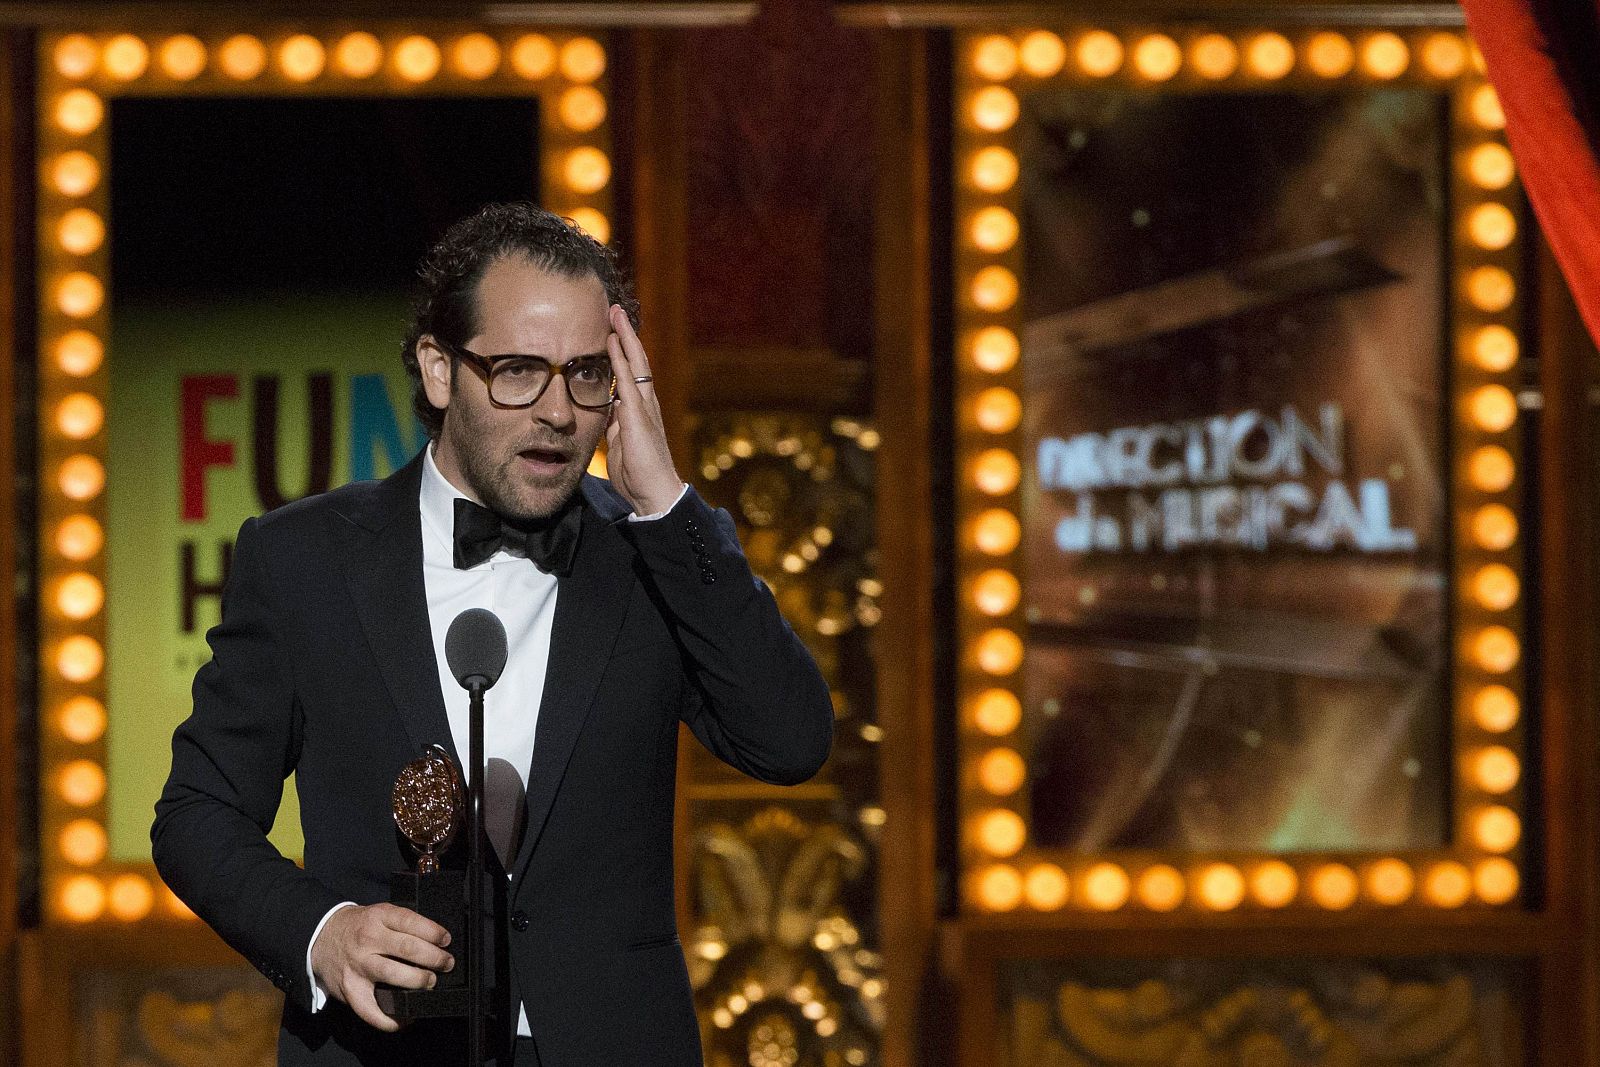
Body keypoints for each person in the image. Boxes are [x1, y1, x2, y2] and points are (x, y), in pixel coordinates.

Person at [151, 203, 834, 1066]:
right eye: (518, 371)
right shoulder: (303, 562)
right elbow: (197, 813)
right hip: (381, 1048)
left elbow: (791, 737)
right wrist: (323, 934)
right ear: (439, 369)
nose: (557, 411)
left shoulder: (648, 556)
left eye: (588, 375)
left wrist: (667, 505)